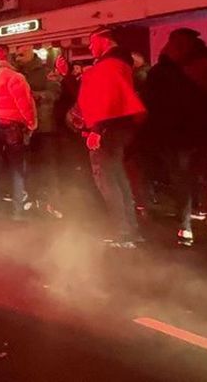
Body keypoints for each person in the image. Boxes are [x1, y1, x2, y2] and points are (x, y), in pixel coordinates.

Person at [143, 29, 207, 258]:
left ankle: (185, 229)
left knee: (183, 181)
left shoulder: (160, 71)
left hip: (179, 136)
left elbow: (152, 105)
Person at [75, 28, 146, 248]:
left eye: (92, 42)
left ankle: (123, 232)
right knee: (118, 178)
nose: (90, 47)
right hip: (120, 128)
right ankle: (130, 230)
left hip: (107, 129)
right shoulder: (123, 64)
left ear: (105, 41)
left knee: (107, 180)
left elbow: (105, 99)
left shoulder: (109, 66)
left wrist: (96, 129)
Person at [0, 45, 37, 218]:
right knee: (16, 166)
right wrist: (31, 123)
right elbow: (24, 103)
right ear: (8, 57)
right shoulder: (14, 77)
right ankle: (17, 211)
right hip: (11, 125)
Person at [13, 45, 62, 216]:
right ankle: (31, 198)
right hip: (21, 127)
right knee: (26, 166)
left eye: (21, 54)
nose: (18, 57)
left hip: (43, 125)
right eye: (17, 54)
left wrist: (37, 95)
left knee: (47, 166)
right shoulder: (14, 73)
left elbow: (56, 92)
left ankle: (52, 202)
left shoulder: (45, 71)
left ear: (31, 54)